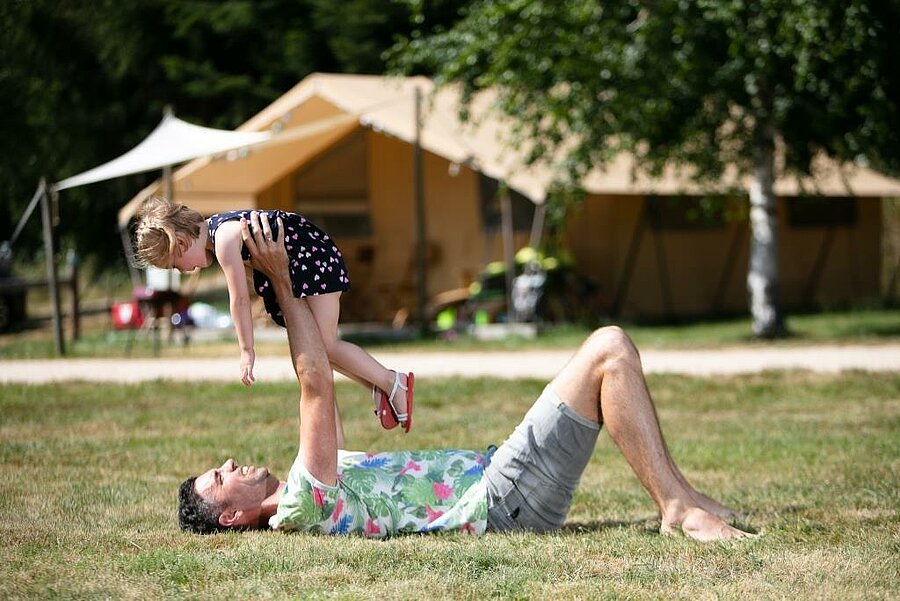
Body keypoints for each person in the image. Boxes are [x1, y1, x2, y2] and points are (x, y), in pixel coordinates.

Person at [177, 211, 754, 542]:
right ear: (232, 515)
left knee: (610, 354)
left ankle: (684, 497)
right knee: (609, 348)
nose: (230, 463)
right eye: (218, 478)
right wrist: (279, 279)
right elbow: (314, 386)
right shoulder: (301, 506)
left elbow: (321, 374)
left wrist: (381, 384)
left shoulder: (314, 479)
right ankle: (677, 509)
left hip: (502, 477)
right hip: (502, 499)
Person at [134, 197, 413, 432]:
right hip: (310, 263)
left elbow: (240, 300)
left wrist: (246, 350)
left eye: (175, 265)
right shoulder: (220, 229)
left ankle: (393, 382)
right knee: (319, 351)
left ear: (182, 243)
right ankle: (379, 385)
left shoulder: (223, 240)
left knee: (323, 346)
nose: (182, 272)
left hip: (315, 261)